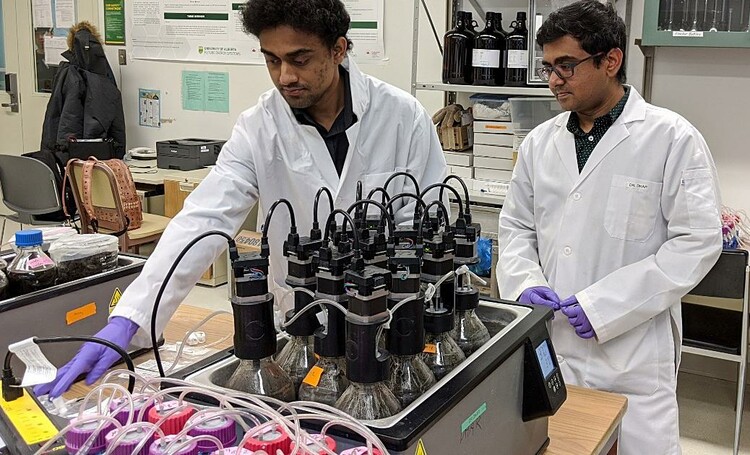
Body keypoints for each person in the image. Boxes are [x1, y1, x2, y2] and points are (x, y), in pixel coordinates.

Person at [35, 0, 447, 398]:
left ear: (338, 49)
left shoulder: (402, 118)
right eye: (271, 59)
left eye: (300, 59)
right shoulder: (258, 127)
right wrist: (130, 319)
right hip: (300, 326)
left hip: (389, 330)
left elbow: (427, 226)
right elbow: (203, 220)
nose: (285, 75)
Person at [496, 1, 722, 454]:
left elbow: (697, 242)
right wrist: (523, 284)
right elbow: (517, 225)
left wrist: (605, 306)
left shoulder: (671, 138)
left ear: (611, 60)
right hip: (553, 341)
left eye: (567, 66)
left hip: (631, 354)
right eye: (548, 68)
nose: (554, 80)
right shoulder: (541, 142)